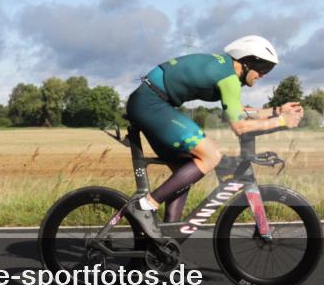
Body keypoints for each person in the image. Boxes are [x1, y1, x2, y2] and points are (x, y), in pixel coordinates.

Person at [123, 35, 304, 239]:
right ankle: (144, 206)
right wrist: (282, 122)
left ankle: (165, 243)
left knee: (186, 170)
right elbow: (240, 126)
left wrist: (278, 110)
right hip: (151, 104)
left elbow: (240, 112)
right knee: (211, 155)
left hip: (149, 102)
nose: (263, 75)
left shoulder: (227, 71)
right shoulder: (228, 79)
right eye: (263, 68)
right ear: (247, 62)